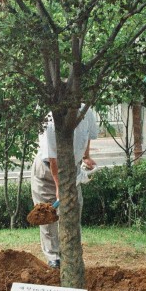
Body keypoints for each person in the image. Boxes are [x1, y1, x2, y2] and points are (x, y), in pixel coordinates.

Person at [30, 106, 99, 269]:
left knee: (73, 209)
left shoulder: (86, 112)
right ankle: (53, 257)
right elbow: (53, 159)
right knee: (47, 215)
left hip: (71, 168)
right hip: (47, 171)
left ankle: (71, 253)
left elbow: (88, 135)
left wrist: (86, 156)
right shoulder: (51, 121)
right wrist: (59, 187)